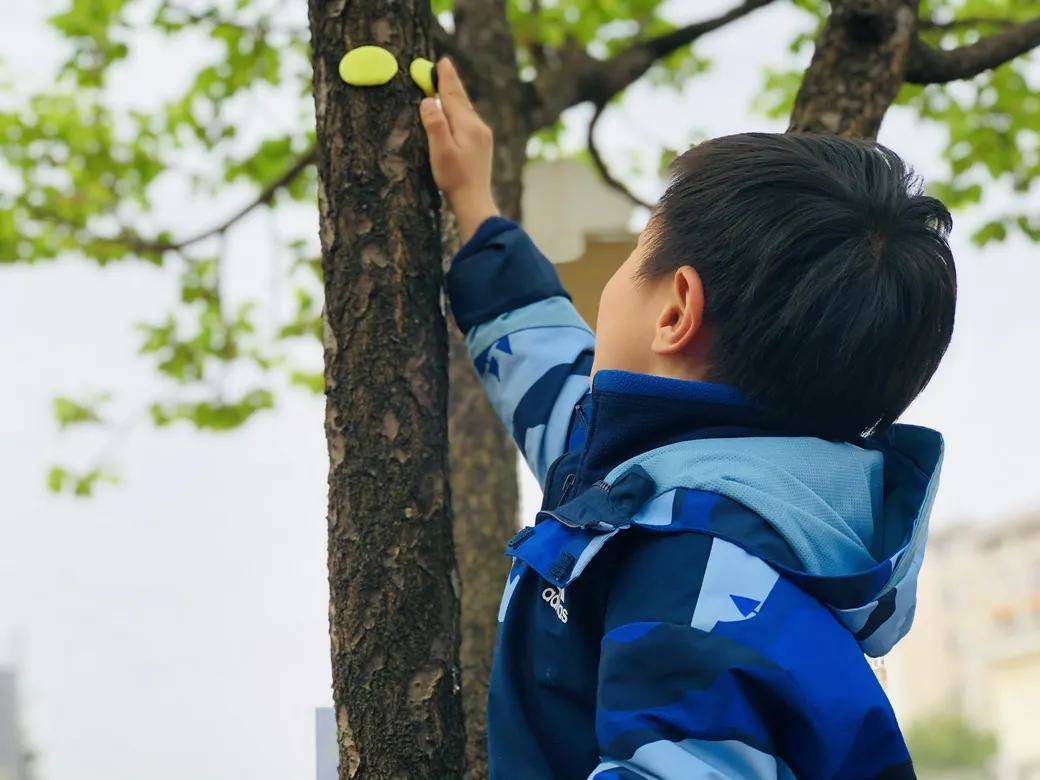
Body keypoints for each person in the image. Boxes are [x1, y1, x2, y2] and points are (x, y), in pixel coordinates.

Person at [419, 57, 955, 780]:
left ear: (674, 310)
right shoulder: (682, 490)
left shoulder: (693, 572)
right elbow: (553, 387)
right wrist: (475, 211)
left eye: (635, 251)